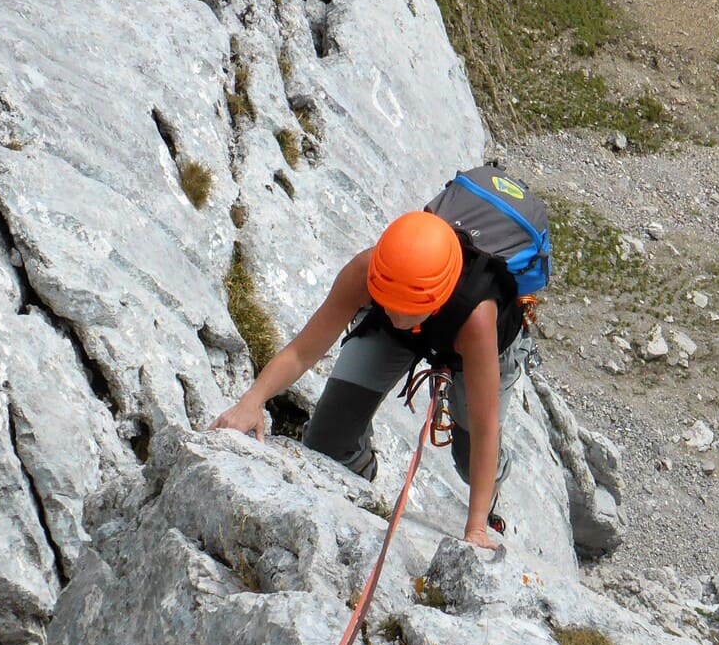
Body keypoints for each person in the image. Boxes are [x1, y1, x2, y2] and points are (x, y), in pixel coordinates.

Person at [209, 210, 528, 550]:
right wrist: (251, 402)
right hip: (405, 330)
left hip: (478, 345)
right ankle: (358, 474)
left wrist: (476, 527)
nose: (394, 314)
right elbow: (303, 351)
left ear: (437, 297)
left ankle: (493, 481)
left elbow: (485, 427)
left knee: (471, 456)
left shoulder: (477, 320)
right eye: (387, 303)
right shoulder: (368, 272)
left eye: (403, 309)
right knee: (326, 440)